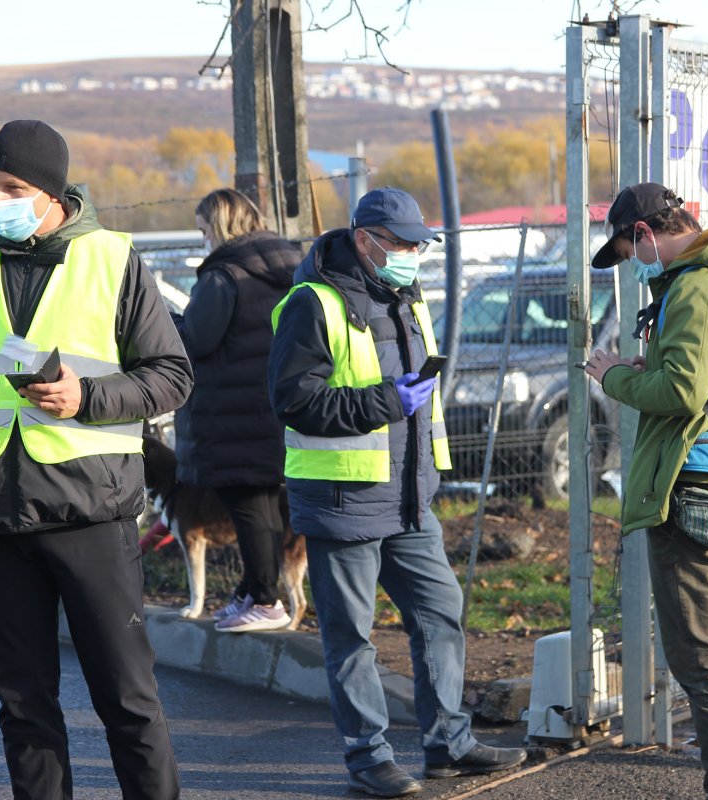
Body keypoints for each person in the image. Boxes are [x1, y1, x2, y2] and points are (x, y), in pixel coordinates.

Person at [0, 119, 193, 799]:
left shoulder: (115, 261)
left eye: (12, 188)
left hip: (89, 512)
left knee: (127, 702)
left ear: (54, 193)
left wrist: (87, 396)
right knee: (23, 709)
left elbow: (172, 374)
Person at [267, 187, 526, 797]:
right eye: (405, 244)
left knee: (441, 614)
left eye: (419, 245)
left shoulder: (405, 298)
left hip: (409, 498)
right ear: (365, 241)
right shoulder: (313, 303)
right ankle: (367, 757)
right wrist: (387, 401)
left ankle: (448, 743)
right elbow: (293, 400)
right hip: (343, 502)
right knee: (351, 636)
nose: (414, 254)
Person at [582, 182, 708, 800]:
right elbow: (706, 376)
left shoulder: (696, 285)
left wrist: (614, 376)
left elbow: (683, 394)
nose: (632, 260)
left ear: (646, 232)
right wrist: (655, 368)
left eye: (629, 247)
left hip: (691, 490)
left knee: (705, 661)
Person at [172, 187, 301, 632]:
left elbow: (197, 340)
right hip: (273, 403)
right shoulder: (288, 265)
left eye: (204, 228)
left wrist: (167, 323)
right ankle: (251, 589)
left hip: (231, 410)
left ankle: (265, 599)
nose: (204, 237)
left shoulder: (223, 275)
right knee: (262, 499)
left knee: (247, 504)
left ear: (221, 225)